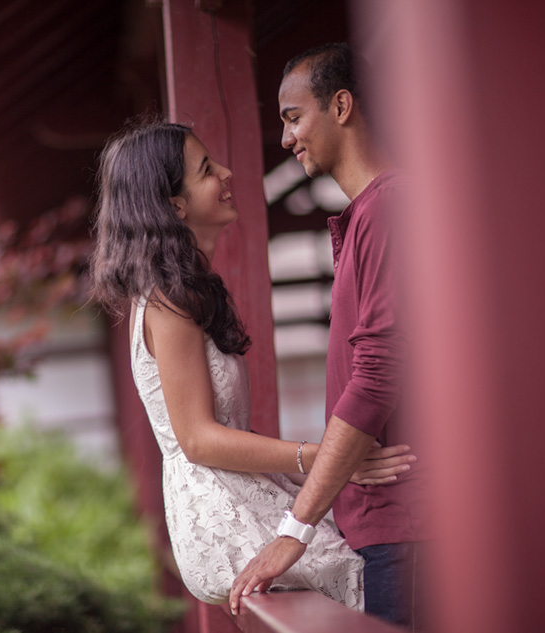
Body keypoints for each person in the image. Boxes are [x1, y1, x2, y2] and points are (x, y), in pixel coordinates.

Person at [90, 119, 415, 609]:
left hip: (241, 492)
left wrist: (333, 462)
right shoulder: (164, 300)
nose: (225, 173)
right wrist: (327, 457)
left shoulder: (184, 290)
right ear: (175, 206)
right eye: (205, 170)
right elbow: (197, 439)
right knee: (369, 574)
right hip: (222, 513)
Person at [229, 43, 425, 629]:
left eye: (293, 117)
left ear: (341, 106)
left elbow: (377, 374)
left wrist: (295, 528)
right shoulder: (370, 211)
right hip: (384, 526)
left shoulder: (390, 205)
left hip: (409, 523)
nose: (286, 139)